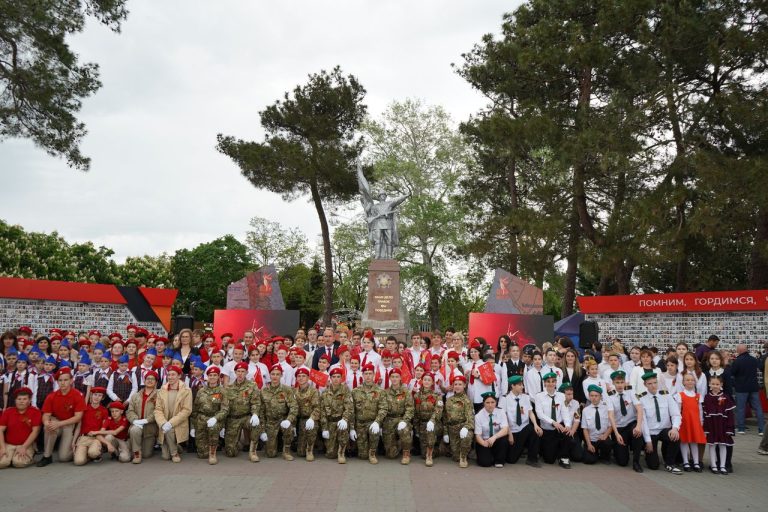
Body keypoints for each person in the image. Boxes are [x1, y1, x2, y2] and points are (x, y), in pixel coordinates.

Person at [37, 367, 87, 466]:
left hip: (69, 424)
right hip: (56, 421)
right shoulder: (51, 396)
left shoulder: (77, 395)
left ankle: (79, 450)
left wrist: (59, 423)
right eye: (60, 380)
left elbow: (78, 417)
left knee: (64, 457)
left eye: (65, 380)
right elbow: (46, 415)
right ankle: (47, 456)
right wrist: (46, 423)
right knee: (49, 426)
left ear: (71, 381)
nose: (62, 383)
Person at [638, 372, 682, 474]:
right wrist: (648, 441)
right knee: (653, 465)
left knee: (675, 436)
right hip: (651, 432)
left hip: (664, 430)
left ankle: (670, 463)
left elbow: (676, 414)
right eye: (650, 384)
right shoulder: (641, 398)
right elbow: (643, 422)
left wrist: (675, 428)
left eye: (655, 382)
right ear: (645, 385)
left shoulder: (666, 395)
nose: (653, 386)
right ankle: (648, 453)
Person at [500, 375, 541, 467]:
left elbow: (530, 412)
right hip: (512, 431)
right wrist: (509, 434)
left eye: (522, 384)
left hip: (524, 428)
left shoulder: (526, 397)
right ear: (513, 386)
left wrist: (535, 424)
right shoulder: (505, 398)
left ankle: (532, 459)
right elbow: (504, 418)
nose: (522, 386)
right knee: (511, 460)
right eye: (519, 385)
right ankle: (520, 449)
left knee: (533, 430)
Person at [607, 370, 644, 472]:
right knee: (622, 462)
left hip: (630, 424)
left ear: (625, 382)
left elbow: (640, 409)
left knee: (637, 433)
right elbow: (611, 416)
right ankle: (618, 450)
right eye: (617, 383)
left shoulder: (631, 392)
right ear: (613, 383)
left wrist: (638, 426)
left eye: (622, 382)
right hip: (619, 427)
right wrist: (616, 433)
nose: (620, 385)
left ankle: (636, 462)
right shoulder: (609, 396)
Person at [154, 365, 192, 463]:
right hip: (164, 423)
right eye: (169, 375)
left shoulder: (186, 391)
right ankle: (175, 447)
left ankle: (174, 452)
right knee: (165, 457)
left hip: (178, 424)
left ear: (179, 376)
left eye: (173, 375)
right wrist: (162, 423)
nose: (170, 377)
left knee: (170, 429)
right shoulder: (162, 390)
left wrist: (170, 423)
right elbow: (158, 409)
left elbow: (186, 410)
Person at [224, 361, 262, 461]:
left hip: (246, 417)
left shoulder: (252, 385)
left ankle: (253, 452)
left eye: (243, 371)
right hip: (233, 419)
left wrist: (255, 414)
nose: (240, 374)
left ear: (246, 373)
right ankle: (236, 443)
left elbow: (256, 402)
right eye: (238, 371)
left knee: (256, 424)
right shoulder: (229, 387)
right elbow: (225, 406)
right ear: (235, 372)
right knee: (230, 452)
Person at [350, 363, 387, 464]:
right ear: (362, 375)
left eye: (370, 373)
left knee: (374, 432)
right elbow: (351, 410)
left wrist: (377, 422)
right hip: (360, 424)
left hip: (372, 423)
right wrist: (352, 428)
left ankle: (373, 453)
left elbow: (383, 408)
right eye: (365, 373)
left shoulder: (380, 391)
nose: (368, 376)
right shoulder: (355, 391)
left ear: (374, 375)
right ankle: (365, 450)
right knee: (362, 456)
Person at [535, 372, 572, 468]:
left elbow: (565, 412)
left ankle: (564, 458)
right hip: (547, 430)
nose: (551, 384)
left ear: (556, 383)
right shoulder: (539, 396)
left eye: (553, 381)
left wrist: (567, 425)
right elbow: (539, 414)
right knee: (549, 460)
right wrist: (553, 422)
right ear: (544, 383)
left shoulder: (561, 396)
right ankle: (548, 452)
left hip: (559, 428)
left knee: (567, 433)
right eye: (548, 382)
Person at [260, 363, 298, 460]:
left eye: (278, 374)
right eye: (273, 374)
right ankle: (274, 444)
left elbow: (294, 407)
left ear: (281, 375)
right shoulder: (264, 391)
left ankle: (286, 451)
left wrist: (289, 420)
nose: (275, 376)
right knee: (270, 454)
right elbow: (261, 412)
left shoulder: (287, 390)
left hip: (283, 419)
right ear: (270, 375)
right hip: (270, 422)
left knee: (288, 428)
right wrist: (262, 430)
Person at [194, 366, 229, 464]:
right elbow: (195, 409)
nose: (212, 377)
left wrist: (215, 418)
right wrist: (193, 426)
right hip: (201, 418)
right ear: (207, 377)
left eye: (215, 375)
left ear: (218, 377)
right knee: (202, 454)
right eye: (210, 375)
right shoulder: (201, 391)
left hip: (215, 418)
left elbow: (225, 409)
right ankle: (205, 450)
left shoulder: (222, 391)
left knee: (213, 428)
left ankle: (212, 453)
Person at [0, 387, 41, 468]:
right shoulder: (8, 412)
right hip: (9, 444)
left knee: (18, 463)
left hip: (26, 444)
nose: (21, 401)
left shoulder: (35, 412)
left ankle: (30, 458)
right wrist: (2, 447)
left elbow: (35, 431)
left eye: (24, 399)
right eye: (19, 399)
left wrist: (24, 447)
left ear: (29, 401)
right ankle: (10, 458)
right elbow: (0, 430)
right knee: (2, 463)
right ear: (15, 400)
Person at [320, 367, 354, 463]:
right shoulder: (325, 393)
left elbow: (349, 407)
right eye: (333, 376)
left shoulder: (345, 390)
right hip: (330, 423)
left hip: (341, 422)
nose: (336, 379)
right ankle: (339, 447)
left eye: (338, 377)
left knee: (343, 429)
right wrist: (324, 428)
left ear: (341, 378)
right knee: (330, 454)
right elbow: (322, 412)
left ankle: (342, 452)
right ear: (330, 378)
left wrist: (345, 419)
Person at [582, 384, 621, 465]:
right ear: (589, 396)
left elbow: (611, 426)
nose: (594, 398)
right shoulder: (585, 410)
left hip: (603, 438)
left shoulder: (606, 408)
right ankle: (594, 453)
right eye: (592, 395)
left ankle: (604, 456)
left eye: (596, 395)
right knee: (589, 460)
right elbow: (585, 429)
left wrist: (605, 435)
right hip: (592, 439)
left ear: (600, 396)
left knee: (607, 443)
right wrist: (589, 444)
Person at [703, 375, 735, 474]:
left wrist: (730, 428)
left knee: (723, 445)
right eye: (713, 384)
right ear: (709, 384)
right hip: (712, 425)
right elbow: (705, 414)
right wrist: (706, 429)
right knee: (712, 445)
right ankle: (713, 465)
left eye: (717, 384)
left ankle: (722, 466)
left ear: (721, 385)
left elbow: (730, 414)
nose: (715, 386)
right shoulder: (707, 397)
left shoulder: (725, 397)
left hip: (723, 426)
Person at [381, 368, 414, 464]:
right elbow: (382, 408)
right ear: (390, 378)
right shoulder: (385, 392)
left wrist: (405, 420)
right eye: (392, 377)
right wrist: (380, 424)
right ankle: (399, 443)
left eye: (397, 377)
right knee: (391, 455)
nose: (394, 379)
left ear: (400, 378)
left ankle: (406, 452)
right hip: (389, 420)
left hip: (401, 419)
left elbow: (410, 409)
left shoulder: (406, 392)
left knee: (404, 430)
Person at [730, 344, 765, 435]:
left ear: (740, 350)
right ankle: (761, 430)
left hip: (741, 388)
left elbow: (732, 372)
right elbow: (760, 367)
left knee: (741, 408)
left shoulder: (737, 361)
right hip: (753, 387)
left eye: (737, 350)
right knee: (758, 408)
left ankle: (741, 429)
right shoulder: (754, 360)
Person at [125, 370, 159, 463]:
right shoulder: (135, 396)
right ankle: (136, 453)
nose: (150, 381)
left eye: (153, 379)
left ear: (156, 382)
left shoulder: (160, 395)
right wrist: (135, 421)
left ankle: (132, 444)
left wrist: (146, 420)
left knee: (146, 455)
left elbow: (159, 411)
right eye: (148, 378)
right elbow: (129, 411)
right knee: (134, 430)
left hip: (149, 427)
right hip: (137, 425)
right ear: (144, 381)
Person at [676, 372, 707, 472]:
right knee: (684, 441)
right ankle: (685, 461)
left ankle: (696, 462)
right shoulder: (680, 395)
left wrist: (701, 422)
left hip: (695, 422)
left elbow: (700, 410)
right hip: (684, 422)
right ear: (683, 382)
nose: (690, 382)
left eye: (692, 380)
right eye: (687, 380)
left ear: (695, 382)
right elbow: (677, 410)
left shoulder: (698, 396)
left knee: (694, 441)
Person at [442, 375, 474, 468]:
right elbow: (445, 418)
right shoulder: (449, 400)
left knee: (467, 436)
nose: (457, 386)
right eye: (455, 384)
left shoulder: (467, 401)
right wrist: (445, 433)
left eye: (460, 384)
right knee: (455, 457)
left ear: (464, 385)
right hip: (452, 430)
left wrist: (466, 427)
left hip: (463, 428)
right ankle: (460, 453)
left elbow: (470, 418)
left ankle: (464, 457)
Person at [413, 372, 443, 466]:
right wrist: (416, 429)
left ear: (432, 382)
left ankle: (429, 456)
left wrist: (432, 421)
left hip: (434, 424)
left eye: (429, 380)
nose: (426, 382)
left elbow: (438, 410)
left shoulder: (437, 395)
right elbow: (415, 413)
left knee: (430, 432)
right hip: (422, 425)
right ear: (422, 381)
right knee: (422, 454)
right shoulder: (417, 396)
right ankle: (438, 449)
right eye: (425, 379)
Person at [73, 386, 108, 465]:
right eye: (95, 395)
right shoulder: (85, 409)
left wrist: (100, 439)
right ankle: (88, 455)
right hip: (83, 438)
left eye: (100, 395)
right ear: (91, 395)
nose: (97, 397)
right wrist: (74, 441)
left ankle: (96, 453)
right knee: (78, 462)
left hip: (96, 438)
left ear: (102, 398)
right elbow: (79, 426)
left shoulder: (104, 410)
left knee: (93, 452)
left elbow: (103, 429)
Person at [474, 391, 509, 468]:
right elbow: (477, 436)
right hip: (484, 441)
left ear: (496, 402)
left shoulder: (501, 411)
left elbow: (505, 429)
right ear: (483, 403)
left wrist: (494, 437)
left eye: (492, 402)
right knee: (485, 463)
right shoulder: (478, 416)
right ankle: (490, 456)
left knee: (503, 440)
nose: (490, 405)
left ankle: (499, 460)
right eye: (487, 402)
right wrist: (483, 443)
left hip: (496, 440)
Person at [294, 367, 320, 461]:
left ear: (308, 378)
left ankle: (310, 450)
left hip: (311, 420)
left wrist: (312, 418)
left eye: (303, 376)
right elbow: (292, 408)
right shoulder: (294, 391)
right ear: (296, 378)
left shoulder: (313, 391)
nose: (301, 378)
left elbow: (317, 408)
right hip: (300, 420)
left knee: (312, 427)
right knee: (300, 453)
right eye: (299, 376)